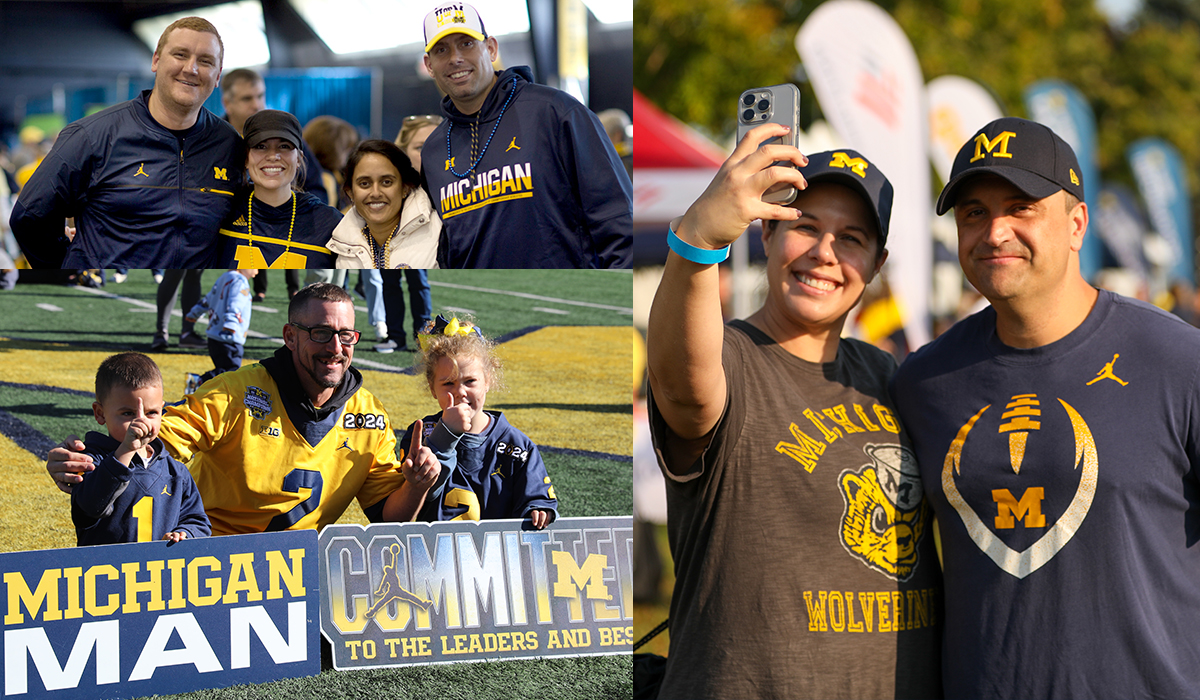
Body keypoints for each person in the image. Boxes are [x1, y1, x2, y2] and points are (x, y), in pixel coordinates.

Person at [891, 116, 1200, 698]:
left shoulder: (1178, 360)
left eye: (1021, 206)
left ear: (1077, 223)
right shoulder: (925, 382)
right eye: (974, 213)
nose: (994, 231)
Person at [645, 124, 941, 698]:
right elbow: (684, 388)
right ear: (766, 234)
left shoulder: (895, 380)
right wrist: (699, 237)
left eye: (851, 238)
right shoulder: (733, 360)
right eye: (805, 227)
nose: (825, 253)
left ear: (876, 265)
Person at [47, 283, 448, 534]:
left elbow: (387, 520)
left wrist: (416, 485)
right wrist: (87, 462)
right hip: (211, 556)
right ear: (290, 336)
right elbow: (153, 438)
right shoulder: (237, 391)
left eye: (346, 335)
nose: (336, 348)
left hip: (294, 573)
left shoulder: (368, 414)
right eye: (321, 333)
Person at [10, 17, 244, 268]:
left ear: (218, 75)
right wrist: (68, 268)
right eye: (180, 55)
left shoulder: (229, 144)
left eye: (205, 61)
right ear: (156, 60)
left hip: (190, 300)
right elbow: (29, 217)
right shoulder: (92, 137)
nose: (191, 68)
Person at [419, 2, 631, 269]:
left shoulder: (556, 112)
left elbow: (617, 221)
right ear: (429, 65)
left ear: (491, 48)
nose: (455, 58)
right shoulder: (433, 151)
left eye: (466, 43)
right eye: (441, 50)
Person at [401, 315, 557, 528]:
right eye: (448, 383)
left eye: (470, 381)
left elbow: (538, 495)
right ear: (431, 387)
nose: (460, 392)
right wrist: (445, 435)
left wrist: (538, 507)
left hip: (497, 557)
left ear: (488, 380)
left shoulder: (518, 445)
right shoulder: (420, 435)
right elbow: (418, 498)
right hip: (435, 555)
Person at [73, 352, 210, 546]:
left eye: (151, 412)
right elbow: (92, 506)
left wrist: (185, 533)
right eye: (128, 413)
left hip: (158, 573)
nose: (140, 422)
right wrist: (126, 451)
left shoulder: (175, 471)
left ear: (162, 411)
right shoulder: (90, 461)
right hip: (106, 572)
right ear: (100, 413)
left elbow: (198, 521)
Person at [216, 110, 340, 268]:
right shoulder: (222, 212)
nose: (273, 156)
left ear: (299, 159)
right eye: (261, 146)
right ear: (246, 158)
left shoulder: (329, 223)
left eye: (284, 146)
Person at [326, 140, 440, 268]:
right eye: (364, 183)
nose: (375, 193)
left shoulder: (439, 231)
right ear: (350, 192)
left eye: (386, 182)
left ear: (405, 187)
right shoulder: (340, 245)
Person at [185, 268, 257, 383]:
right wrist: (231, 324)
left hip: (214, 335)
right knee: (231, 372)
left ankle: (205, 388)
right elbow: (235, 303)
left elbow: (208, 299)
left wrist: (194, 313)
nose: (256, 272)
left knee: (225, 370)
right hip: (228, 337)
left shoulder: (224, 277)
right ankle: (198, 381)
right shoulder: (240, 281)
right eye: (255, 267)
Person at [306, 114, 360, 210]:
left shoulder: (309, 174)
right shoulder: (325, 179)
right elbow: (327, 219)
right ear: (334, 150)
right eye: (347, 149)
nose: (349, 155)